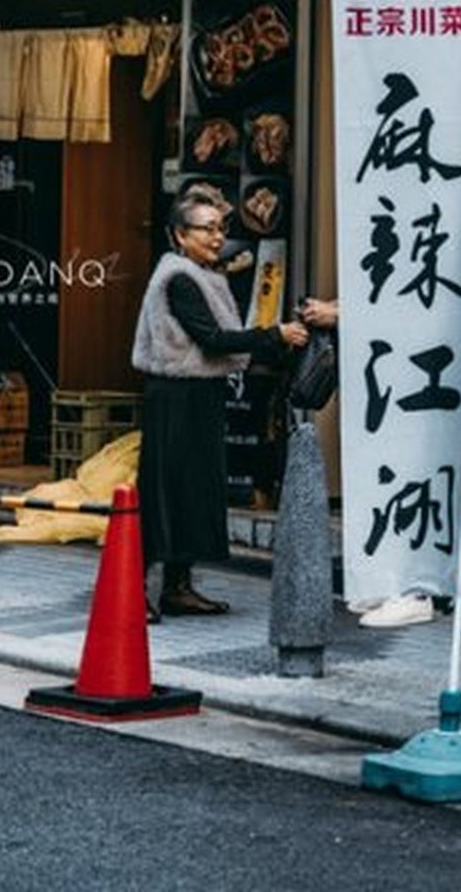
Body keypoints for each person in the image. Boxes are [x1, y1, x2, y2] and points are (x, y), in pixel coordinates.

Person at [132, 196, 306, 620]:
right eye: (206, 229)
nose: (217, 237)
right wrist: (274, 335)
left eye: (219, 229)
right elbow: (212, 338)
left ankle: (178, 587)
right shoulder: (179, 278)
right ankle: (134, 588)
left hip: (200, 395)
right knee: (165, 490)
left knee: (194, 489)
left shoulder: (203, 274)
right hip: (173, 397)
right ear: (179, 235)